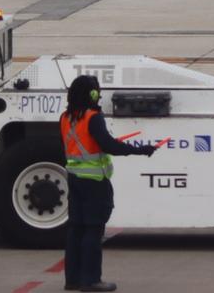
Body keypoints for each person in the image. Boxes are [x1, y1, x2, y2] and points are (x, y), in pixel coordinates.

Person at [59, 73, 157, 293]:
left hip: (74, 179)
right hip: (94, 182)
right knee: (94, 230)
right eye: (97, 91)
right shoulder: (93, 117)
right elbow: (111, 146)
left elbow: (84, 146)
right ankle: (91, 280)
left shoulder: (66, 117)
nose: (99, 95)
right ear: (93, 94)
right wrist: (141, 150)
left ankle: (72, 279)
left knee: (76, 230)